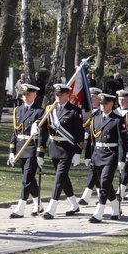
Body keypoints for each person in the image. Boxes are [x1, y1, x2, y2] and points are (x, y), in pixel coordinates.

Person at [84, 93, 128, 222]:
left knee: (105, 181)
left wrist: (121, 159)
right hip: (98, 154)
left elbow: (122, 141)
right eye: (101, 103)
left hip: (111, 155)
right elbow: (92, 139)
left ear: (111, 104)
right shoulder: (96, 118)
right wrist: (88, 156)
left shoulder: (118, 119)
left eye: (105, 103)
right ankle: (115, 208)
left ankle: (99, 211)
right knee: (104, 183)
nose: (102, 106)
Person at [43, 84, 84, 219]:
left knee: (59, 178)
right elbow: (42, 123)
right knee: (63, 177)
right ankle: (74, 204)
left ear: (67, 95)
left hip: (67, 148)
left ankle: (51, 208)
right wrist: (35, 127)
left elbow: (79, 133)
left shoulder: (74, 111)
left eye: (61, 95)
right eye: (56, 95)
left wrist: (78, 152)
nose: (58, 97)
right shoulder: (50, 109)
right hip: (54, 147)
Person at [7, 83, 48, 218]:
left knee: (26, 179)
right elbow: (15, 132)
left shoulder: (39, 112)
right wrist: (12, 151)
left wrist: (40, 153)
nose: (25, 97)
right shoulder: (17, 110)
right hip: (20, 146)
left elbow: (43, 135)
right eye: (23, 94)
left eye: (28, 94)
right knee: (30, 179)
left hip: (31, 147)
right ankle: (39, 205)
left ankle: (20, 208)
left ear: (34, 95)